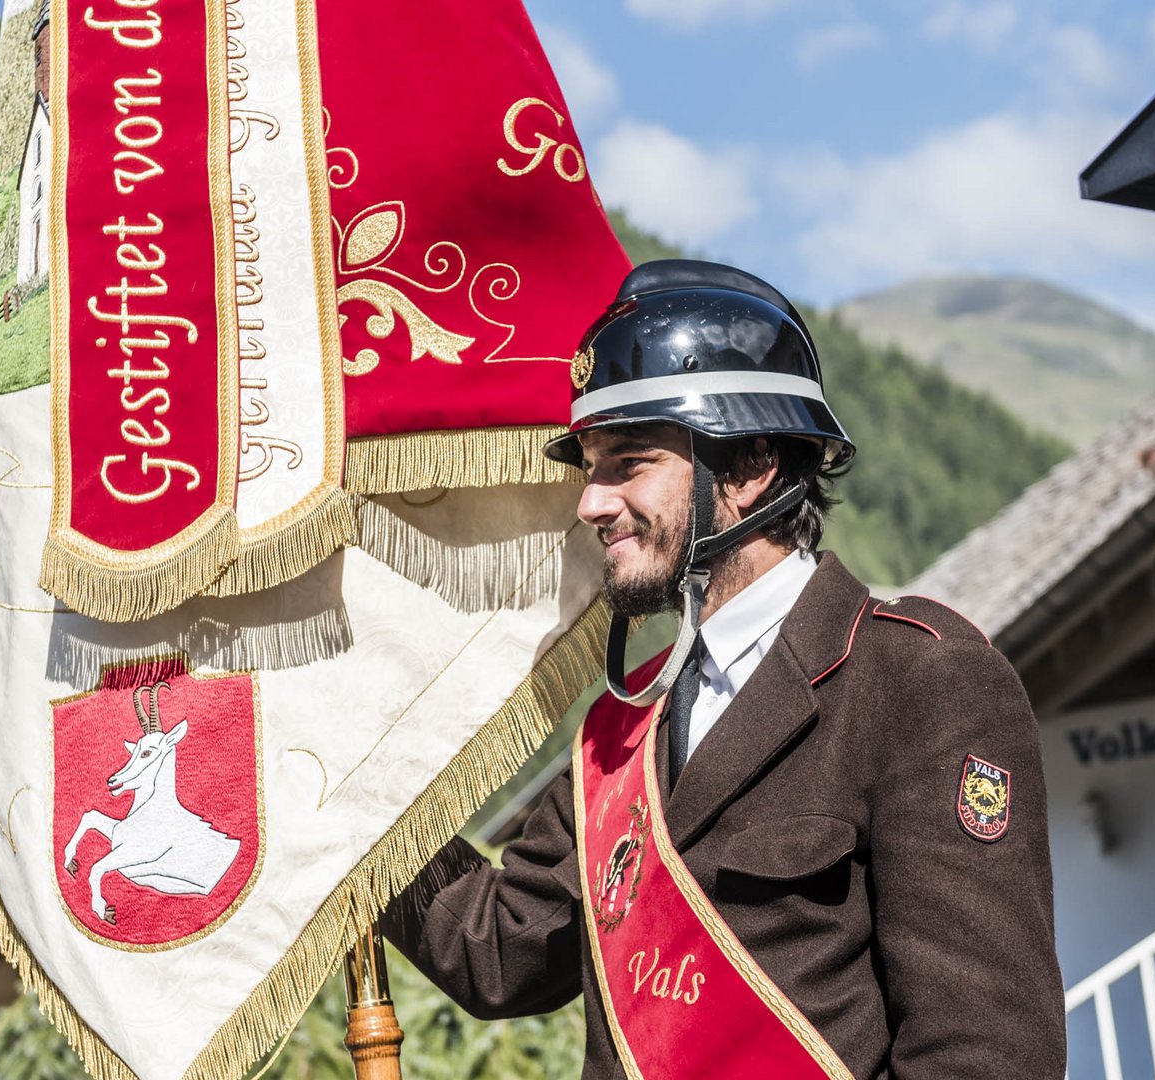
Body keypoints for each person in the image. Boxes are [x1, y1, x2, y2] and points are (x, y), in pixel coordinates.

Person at [382, 260, 1064, 1078]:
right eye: (590, 466)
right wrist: (350, 806)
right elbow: (499, 953)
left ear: (749, 468)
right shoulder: (618, 731)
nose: (590, 503)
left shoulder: (918, 681)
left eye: (628, 464)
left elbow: (984, 1056)